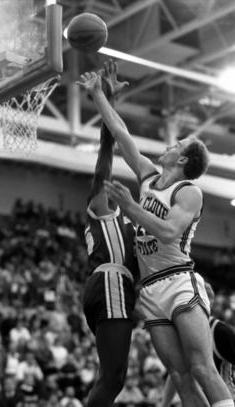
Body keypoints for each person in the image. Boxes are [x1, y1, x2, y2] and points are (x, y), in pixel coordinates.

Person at [77, 60, 234, 407]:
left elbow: (168, 231)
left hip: (178, 280)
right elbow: (121, 134)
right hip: (149, 289)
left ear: (182, 161)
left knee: (201, 367)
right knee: (179, 376)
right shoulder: (149, 177)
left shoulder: (188, 191)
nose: (171, 144)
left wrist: (131, 207)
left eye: (178, 144)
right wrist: (99, 95)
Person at [82, 63, 138, 407]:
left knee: (112, 378)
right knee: (113, 379)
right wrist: (108, 102)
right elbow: (106, 155)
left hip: (110, 289)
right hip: (110, 284)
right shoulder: (100, 208)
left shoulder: (130, 226)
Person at [161, 283, 235, 406]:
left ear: (208, 302)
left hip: (225, 399)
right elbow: (176, 372)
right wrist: (164, 404)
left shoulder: (221, 332)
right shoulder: (181, 332)